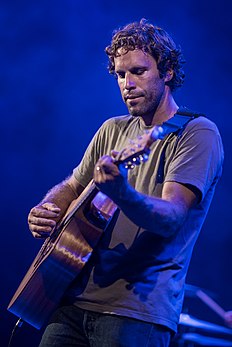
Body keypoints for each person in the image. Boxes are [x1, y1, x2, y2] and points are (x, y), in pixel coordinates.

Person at [28, 19, 224, 347]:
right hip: (72, 297)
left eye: (138, 71)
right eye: (120, 75)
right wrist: (48, 207)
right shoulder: (113, 129)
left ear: (168, 72)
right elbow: (74, 184)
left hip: (136, 311)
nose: (127, 84)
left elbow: (172, 217)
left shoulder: (197, 133)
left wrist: (123, 193)